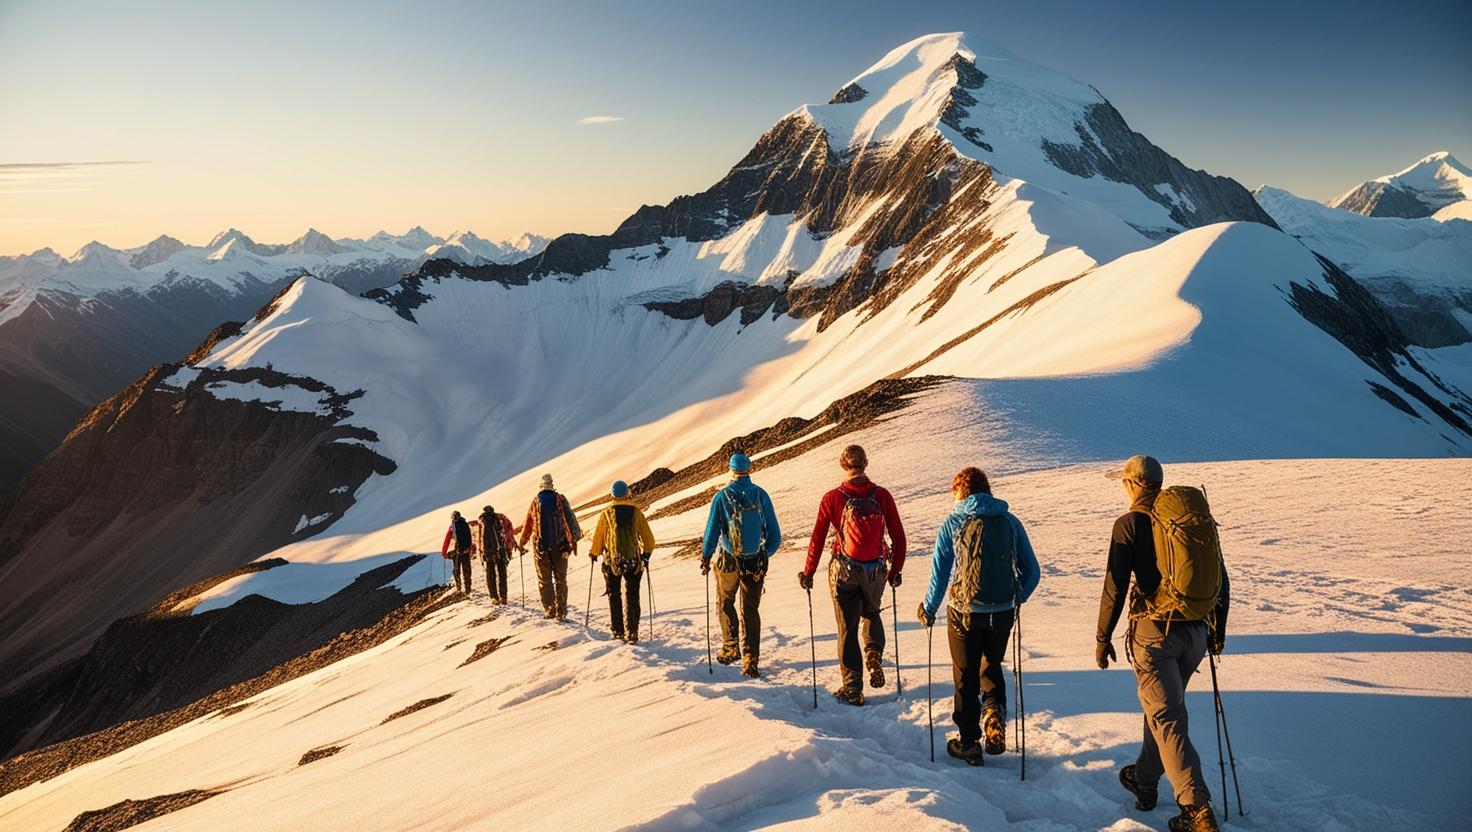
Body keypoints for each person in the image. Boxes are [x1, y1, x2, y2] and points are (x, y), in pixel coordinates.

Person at [1096, 455, 1230, 832]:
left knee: (1167, 718)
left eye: (1124, 483)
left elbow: (1115, 587)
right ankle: (1144, 778)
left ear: (1133, 484)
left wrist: (1102, 637)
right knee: (1162, 710)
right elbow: (1222, 578)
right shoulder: (1186, 522)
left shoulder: (1129, 524)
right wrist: (1216, 632)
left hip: (1155, 635)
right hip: (1195, 633)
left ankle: (1195, 809)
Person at [916, 467, 1039, 765]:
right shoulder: (1009, 521)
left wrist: (928, 609)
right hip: (1003, 611)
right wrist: (1015, 597)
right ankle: (994, 713)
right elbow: (1032, 572)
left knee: (966, 674)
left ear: (960, 491)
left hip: (964, 612)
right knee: (991, 664)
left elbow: (940, 575)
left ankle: (968, 742)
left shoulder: (954, 521)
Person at [799, 444, 907, 706]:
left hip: (844, 571)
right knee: (871, 612)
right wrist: (895, 570)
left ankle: (852, 688)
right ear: (865, 464)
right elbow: (899, 537)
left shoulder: (832, 498)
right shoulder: (882, 495)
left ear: (842, 465)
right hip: (876, 570)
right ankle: (873, 653)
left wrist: (808, 571)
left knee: (846, 626)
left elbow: (817, 538)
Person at [701, 453, 781, 678]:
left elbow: (712, 531)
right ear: (749, 469)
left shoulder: (722, 497)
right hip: (754, 561)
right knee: (750, 609)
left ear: (731, 470)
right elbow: (775, 534)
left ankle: (730, 647)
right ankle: (750, 658)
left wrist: (706, 556)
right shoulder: (760, 494)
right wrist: (764, 555)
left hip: (728, 559)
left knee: (725, 602)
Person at [588, 480, 657, 643]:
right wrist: (646, 555)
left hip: (613, 561)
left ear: (612, 495)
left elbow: (599, 535)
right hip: (633, 561)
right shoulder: (636, 512)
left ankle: (618, 631)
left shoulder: (607, 512)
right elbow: (649, 539)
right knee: (632, 594)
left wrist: (594, 552)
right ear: (627, 493)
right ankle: (632, 632)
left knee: (614, 594)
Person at [518, 474, 581, 620]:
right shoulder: (560, 499)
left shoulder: (536, 502)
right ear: (552, 485)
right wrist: (572, 542)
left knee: (544, 580)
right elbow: (570, 519)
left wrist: (522, 542)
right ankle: (561, 612)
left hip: (541, 548)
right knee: (561, 580)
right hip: (561, 547)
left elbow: (528, 524)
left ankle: (549, 609)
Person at [477, 504, 512, 604]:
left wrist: (481, 552)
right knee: (502, 574)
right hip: (500, 551)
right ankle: (503, 596)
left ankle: (494, 597)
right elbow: (506, 533)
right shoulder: (499, 518)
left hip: (488, 553)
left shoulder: (481, 521)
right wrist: (508, 550)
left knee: (490, 575)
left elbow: (479, 539)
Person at [440, 510, 475, 595]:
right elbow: (470, 537)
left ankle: (459, 587)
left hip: (457, 552)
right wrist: (469, 549)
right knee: (467, 570)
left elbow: (447, 539)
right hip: (465, 551)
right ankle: (468, 588)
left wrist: (444, 552)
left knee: (456, 570)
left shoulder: (453, 526)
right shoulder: (465, 524)